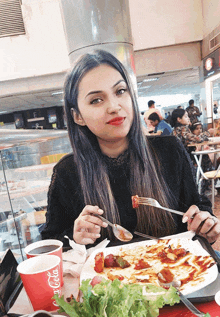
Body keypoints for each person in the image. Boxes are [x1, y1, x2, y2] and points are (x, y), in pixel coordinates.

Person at [41, 50, 220, 246]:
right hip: (107, 277)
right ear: (78, 116)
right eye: (96, 100)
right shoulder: (68, 171)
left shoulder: (169, 150)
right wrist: (73, 238)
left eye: (120, 91)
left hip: (176, 268)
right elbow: (51, 240)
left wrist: (204, 222)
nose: (114, 106)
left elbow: (195, 205)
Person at [171, 109, 214, 194]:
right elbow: (198, 139)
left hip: (179, 159)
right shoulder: (182, 130)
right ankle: (204, 187)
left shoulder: (175, 130)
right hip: (186, 160)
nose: (188, 118)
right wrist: (208, 132)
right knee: (205, 158)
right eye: (186, 116)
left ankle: (204, 186)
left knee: (204, 157)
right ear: (179, 119)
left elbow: (190, 140)